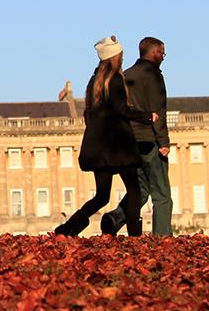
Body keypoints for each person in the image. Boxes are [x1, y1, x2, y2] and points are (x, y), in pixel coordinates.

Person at [54, 35, 157, 236]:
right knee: (134, 192)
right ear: (114, 57)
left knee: (102, 196)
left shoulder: (94, 82)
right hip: (118, 147)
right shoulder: (116, 79)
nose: (123, 58)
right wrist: (147, 116)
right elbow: (121, 110)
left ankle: (67, 230)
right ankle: (135, 237)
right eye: (121, 55)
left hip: (98, 149)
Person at [103, 36, 172, 236]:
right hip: (149, 139)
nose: (163, 57)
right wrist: (163, 141)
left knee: (140, 190)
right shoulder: (154, 75)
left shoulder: (126, 75)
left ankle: (114, 219)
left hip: (129, 140)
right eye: (163, 53)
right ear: (155, 53)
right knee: (162, 194)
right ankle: (162, 237)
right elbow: (158, 110)